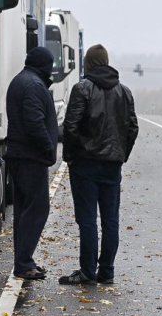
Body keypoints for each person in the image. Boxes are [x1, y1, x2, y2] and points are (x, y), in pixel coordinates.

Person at [58, 44, 138, 285]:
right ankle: (107, 271)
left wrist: (70, 156)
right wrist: (121, 154)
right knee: (110, 220)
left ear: (89, 64)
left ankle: (87, 272)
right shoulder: (124, 92)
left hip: (85, 164)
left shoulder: (82, 89)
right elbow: (132, 128)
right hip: (112, 165)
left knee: (88, 220)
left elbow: (70, 127)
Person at [5, 46, 58, 280]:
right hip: (31, 157)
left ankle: (23, 261)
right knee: (37, 209)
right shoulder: (34, 86)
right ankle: (24, 263)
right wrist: (48, 148)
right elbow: (34, 122)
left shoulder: (21, 80)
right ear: (45, 65)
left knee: (23, 211)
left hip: (19, 155)